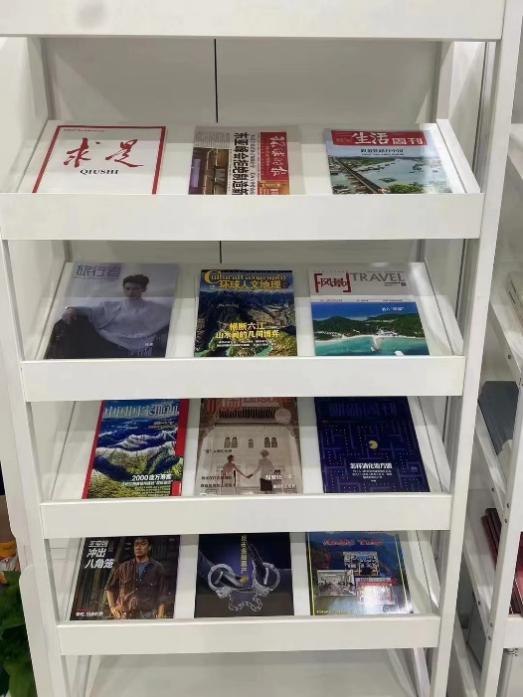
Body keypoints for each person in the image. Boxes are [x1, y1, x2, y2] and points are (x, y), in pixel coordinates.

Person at [46, 274, 171, 359]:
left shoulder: (155, 308)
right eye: (128, 288)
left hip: (142, 344)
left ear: (143, 289)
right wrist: (71, 309)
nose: (131, 292)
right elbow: (91, 311)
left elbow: (166, 319)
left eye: (135, 289)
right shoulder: (112, 305)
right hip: (110, 341)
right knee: (72, 323)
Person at [105, 537, 168, 619]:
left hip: (149, 615)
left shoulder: (157, 568)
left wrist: (160, 615)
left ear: (149, 547)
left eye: (143, 544)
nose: (139, 547)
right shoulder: (123, 567)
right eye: (136, 544)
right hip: (124, 615)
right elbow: (109, 588)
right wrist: (112, 608)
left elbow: (162, 595)